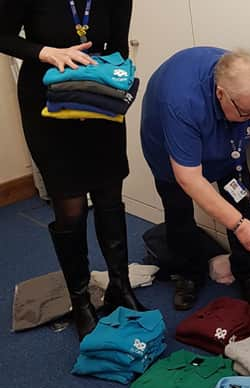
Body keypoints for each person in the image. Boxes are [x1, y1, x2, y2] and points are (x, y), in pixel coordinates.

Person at [0, 0, 146, 340]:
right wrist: (45, 52)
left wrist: (110, 79)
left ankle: (119, 287)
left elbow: (120, 47)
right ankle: (80, 301)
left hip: (98, 98)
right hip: (47, 101)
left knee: (110, 194)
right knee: (72, 207)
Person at [141, 47, 250, 310]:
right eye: (248, 113)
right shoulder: (181, 102)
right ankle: (189, 275)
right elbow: (189, 178)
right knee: (179, 212)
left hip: (228, 147)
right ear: (221, 94)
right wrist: (237, 224)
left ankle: (248, 274)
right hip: (171, 152)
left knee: (242, 200)